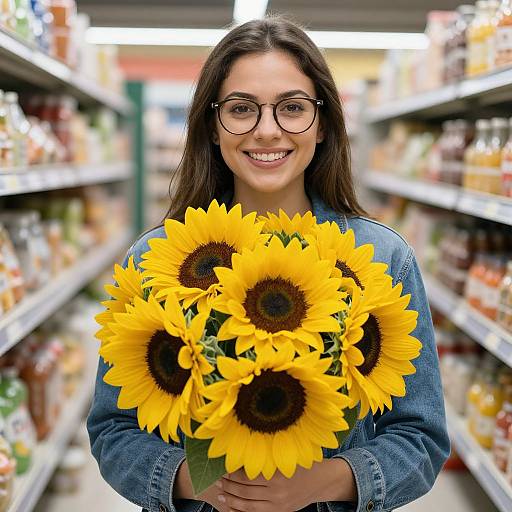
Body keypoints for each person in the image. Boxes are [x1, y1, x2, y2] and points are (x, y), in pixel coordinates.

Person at [87, 15, 450, 512]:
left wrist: (326, 480)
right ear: (213, 127)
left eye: (292, 108)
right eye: (241, 109)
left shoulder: (384, 260)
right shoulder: (153, 260)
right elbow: (113, 429)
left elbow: (421, 439)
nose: (266, 131)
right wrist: (193, 478)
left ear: (322, 125)